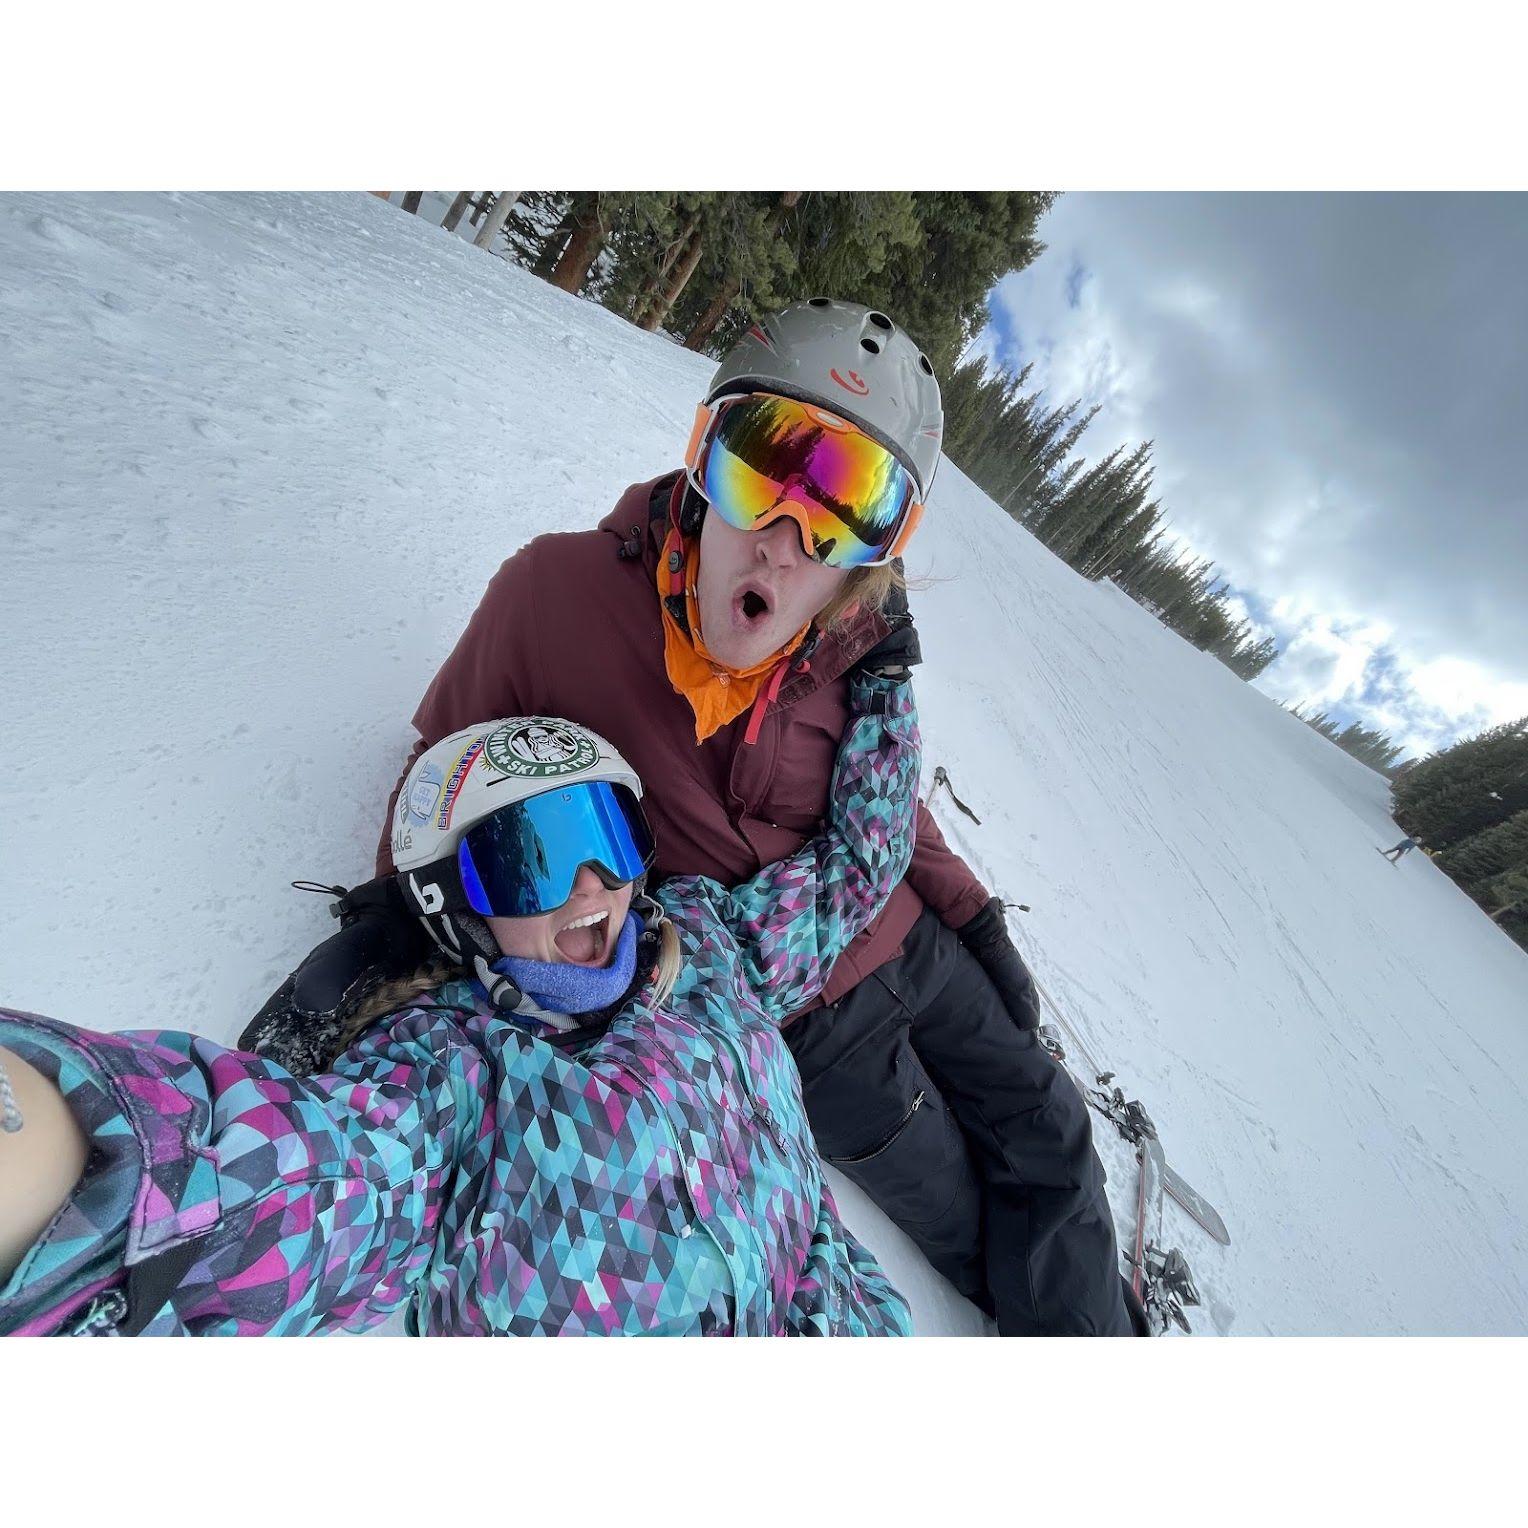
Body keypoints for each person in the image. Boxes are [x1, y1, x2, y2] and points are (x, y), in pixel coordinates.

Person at [242, 298, 1141, 1336]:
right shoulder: (555, 598)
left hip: (912, 937)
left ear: (869, 557)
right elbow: (444, 780)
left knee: (1053, 1131)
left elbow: (889, 814)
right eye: (761, 473)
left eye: (845, 511)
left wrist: (974, 920)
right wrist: (410, 924)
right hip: (810, 1019)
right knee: (970, 1216)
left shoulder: (849, 645)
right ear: (701, 465)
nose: (783, 540)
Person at [0, 675, 916, 1336]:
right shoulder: (459, 1078)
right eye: (531, 861)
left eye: (605, 834)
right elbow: (309, 1176)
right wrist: (71, 1162)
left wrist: (884, 673)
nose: (593, 884)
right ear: (455, 909)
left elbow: (850, 876)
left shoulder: (710, 946)